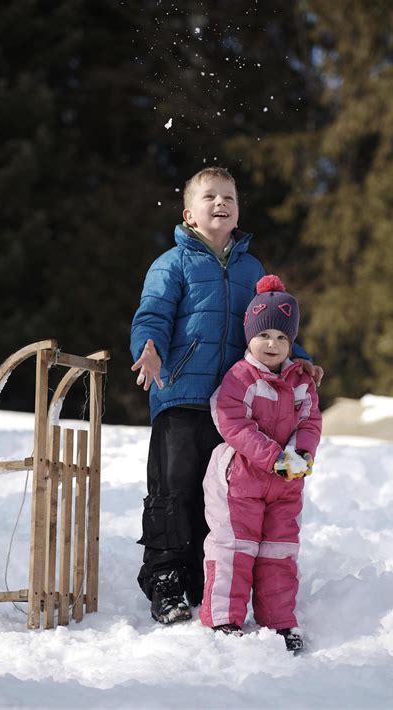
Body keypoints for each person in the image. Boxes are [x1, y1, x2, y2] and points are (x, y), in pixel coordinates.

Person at [130, 167, 323, 625]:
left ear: (237, 213)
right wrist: (149, 349)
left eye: (229, 198)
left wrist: (300, 358)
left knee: (217, 495)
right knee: (173, 491)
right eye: (210, 197)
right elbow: (152, 314)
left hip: (236, 405)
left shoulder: (251, 269)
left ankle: (202, 576)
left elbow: (267, 329)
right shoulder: (172, 263)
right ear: (189, 214)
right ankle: (165, 579)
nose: (220, 203)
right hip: (180, 395)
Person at [199, 274, 322, 652]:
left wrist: (300, 456)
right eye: (265, 334)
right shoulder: (241, 376)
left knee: (279, 551)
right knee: (235, 547)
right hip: (241, 478)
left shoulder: (301, 381)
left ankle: (279, 621)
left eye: (283, 337)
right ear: (249, 335)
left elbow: (310, 421)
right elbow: (231, 421)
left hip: (287, 482)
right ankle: (224, 617)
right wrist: (274, 457)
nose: (273, 344)